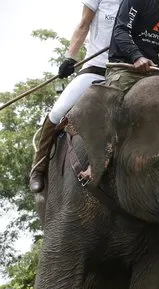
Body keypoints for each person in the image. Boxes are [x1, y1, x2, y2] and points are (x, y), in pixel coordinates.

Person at [29, 0, 123, 193]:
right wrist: (70, 57)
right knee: (58, 112)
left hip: (126, 70)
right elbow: (83, 25)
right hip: (96, 68)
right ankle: (38, 167)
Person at [105, 0, 159, 93]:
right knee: (114, 98)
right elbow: (121, 31)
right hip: (124, 68)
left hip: (153, 71)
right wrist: (137, 57)